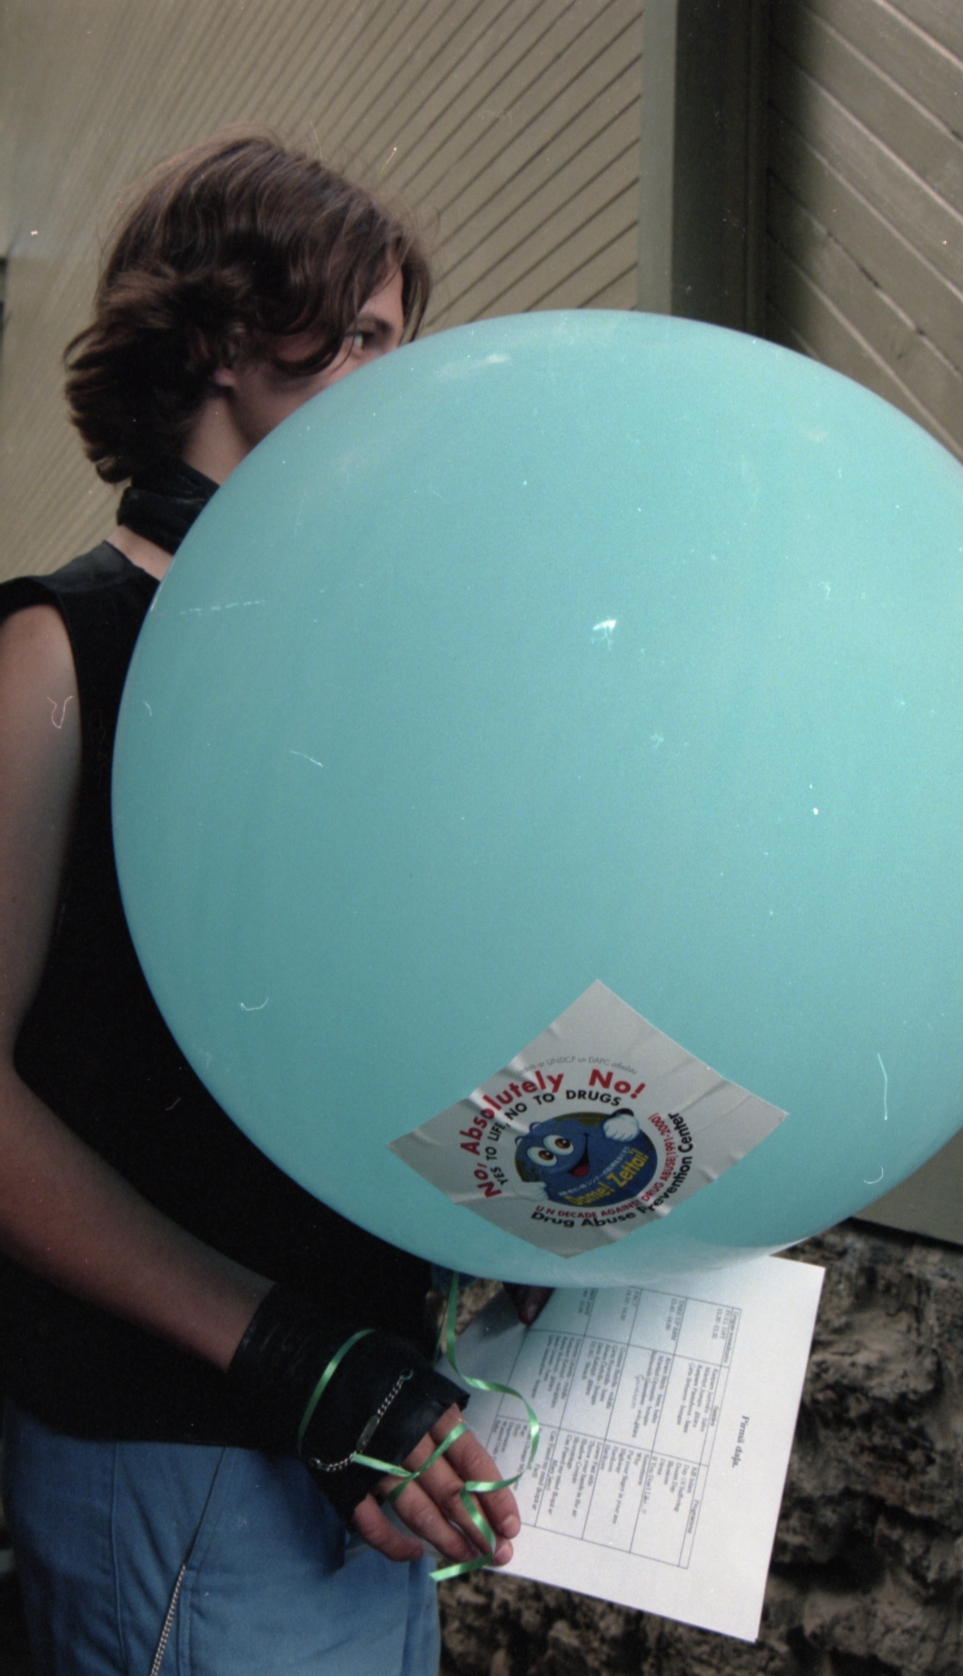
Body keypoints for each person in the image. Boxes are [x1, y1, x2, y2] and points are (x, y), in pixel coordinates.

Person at [0, 131, 535, 1676]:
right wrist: (284, 1351)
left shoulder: (336, 679)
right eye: (359, 336)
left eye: (400, 341)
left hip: (370, 1461)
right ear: (221, 339)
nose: (396, 382)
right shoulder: (60, 651)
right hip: (178, 1458)